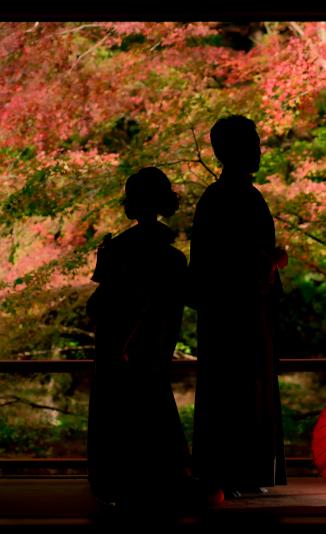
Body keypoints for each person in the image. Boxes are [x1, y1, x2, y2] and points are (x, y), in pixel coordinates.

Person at [86, 167, 222, 508]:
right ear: (166, 201)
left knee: (115, 416)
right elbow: (186, 301)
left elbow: (96, 306)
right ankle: (161, 481)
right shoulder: (170, 258)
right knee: (150, 413)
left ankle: (115, 482)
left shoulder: (116, 250)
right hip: (148, 350)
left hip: (112, 348)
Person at [186, 115, 288, 498]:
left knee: (235, 387)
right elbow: (226, 259)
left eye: (257, 142)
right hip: (235, 308)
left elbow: (215, 259)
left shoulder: (224, 196)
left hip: (232, 306)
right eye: (251, 144)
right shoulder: (231, 197)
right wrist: (268, 264)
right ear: (230, 151)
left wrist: (266, 266)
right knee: (239, 386)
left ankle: (237, 470)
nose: (258, 150)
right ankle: (237, 471)